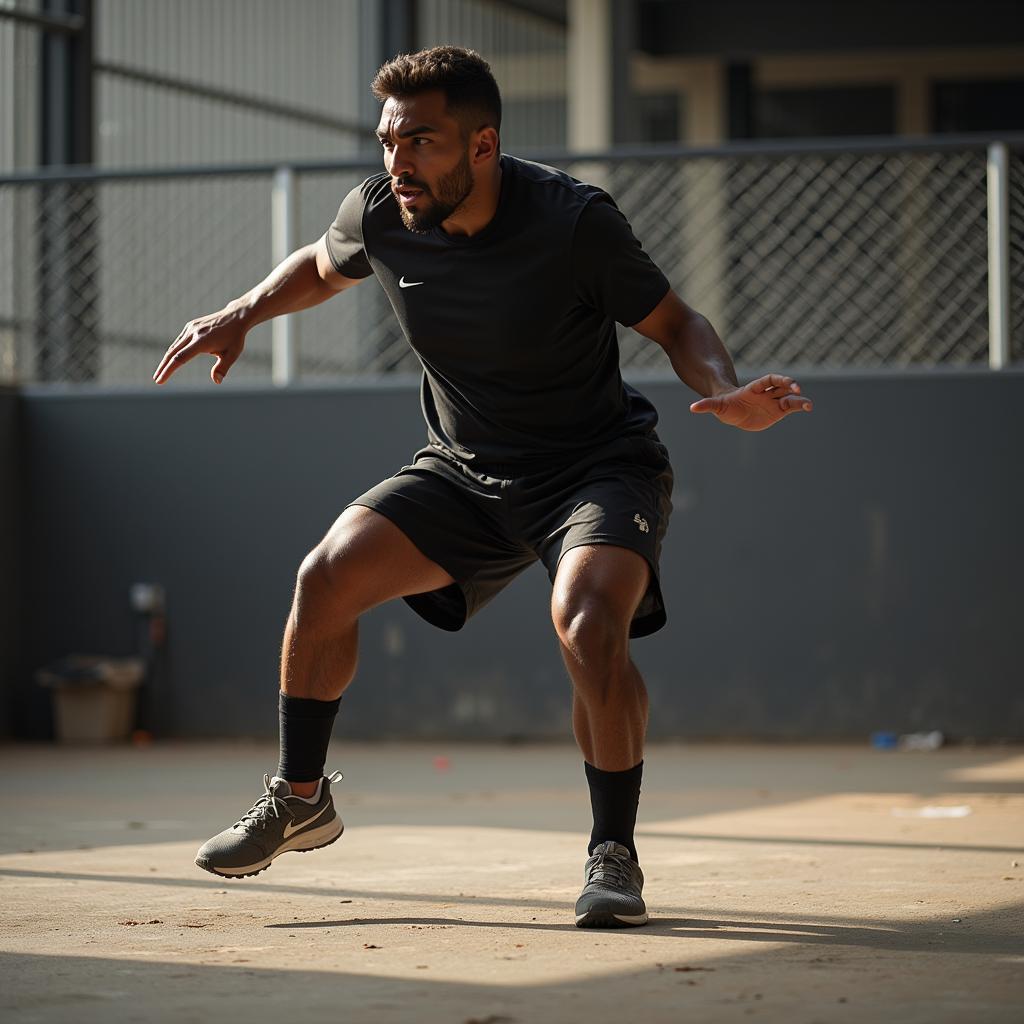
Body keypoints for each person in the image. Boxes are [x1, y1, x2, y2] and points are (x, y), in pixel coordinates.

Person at [153, 46, 813, 929]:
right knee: (325, 579)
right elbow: (323, 261)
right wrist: (238, 313)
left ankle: (612, 852)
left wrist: (721, 391)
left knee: (587, 625)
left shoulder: (573, 222)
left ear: (482, 145)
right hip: (464, 470)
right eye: (389, 140)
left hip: (595, 467)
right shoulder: (385, 212)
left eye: (420, 141)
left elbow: (675, 319)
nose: (398, 162)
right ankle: (300, 798)